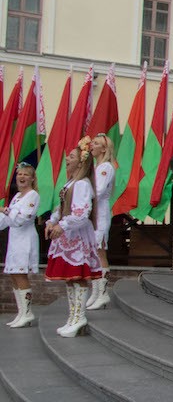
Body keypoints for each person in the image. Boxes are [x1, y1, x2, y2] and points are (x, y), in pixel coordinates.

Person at [44, 141, 102, 337]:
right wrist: (52, 222)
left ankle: (79, 317)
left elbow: (81, 212)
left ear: (81, 163)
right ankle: (72, 317)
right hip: (67, 235)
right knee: (70, 279)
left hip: (76, 235)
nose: (67, 159)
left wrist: (63, 225)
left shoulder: (82, 184)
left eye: (71, 157)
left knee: (77, 277)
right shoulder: (70, 183)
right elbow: (61, 208)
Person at [1, 162, 39, 327]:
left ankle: (28, 313)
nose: (21, 177)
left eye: (25, 174)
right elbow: (8, 220)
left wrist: (6, 211)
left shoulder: (33, 195)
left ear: (31, 178)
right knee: (13, 274)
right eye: (19, 174)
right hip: (14, 239)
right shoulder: (17, 196)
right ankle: (21, 312)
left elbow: (24, 218)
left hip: (25, 239)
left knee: (20, 274)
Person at [86, 133, 115, 309]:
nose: (92, 145)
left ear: (104, 148)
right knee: (94, 254)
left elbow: (98, 189)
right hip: (93, 213)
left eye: (96, 144)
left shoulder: (105, 167)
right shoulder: (96, 167)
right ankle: (96, 292)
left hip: (100, 213)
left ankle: (103, 293)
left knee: (100, 251)